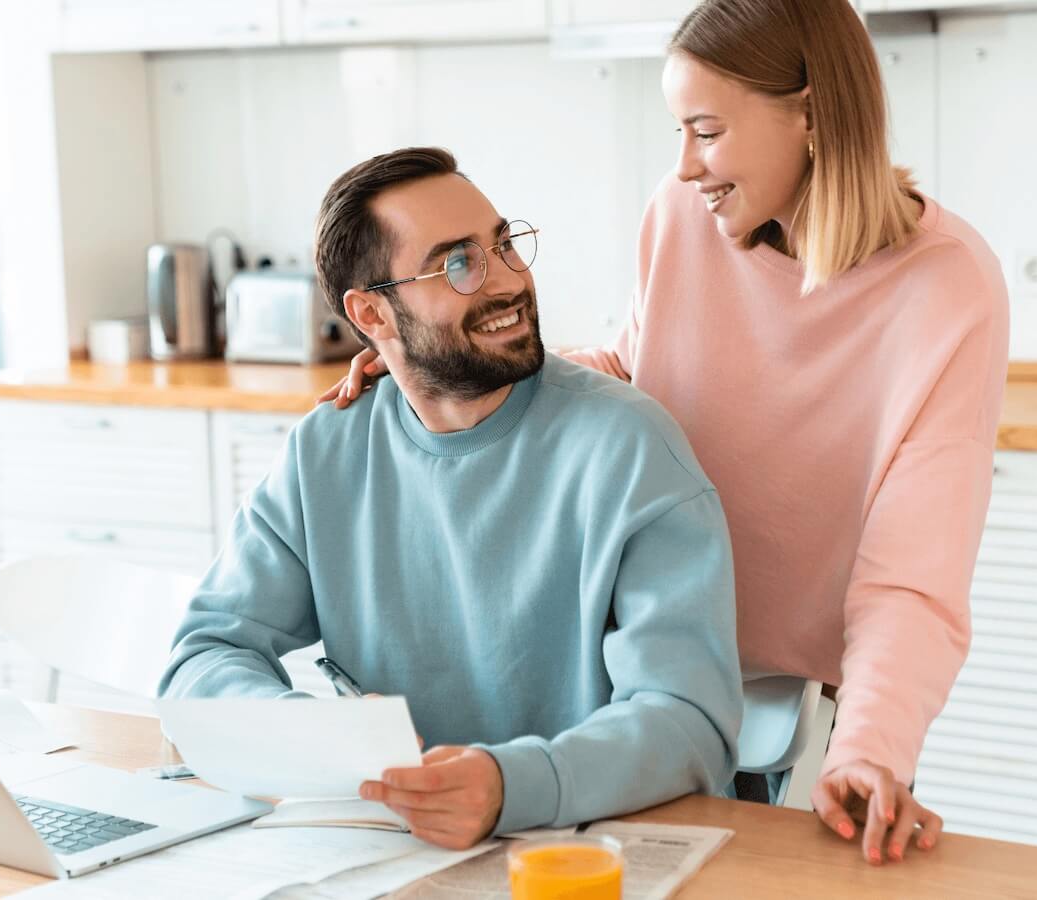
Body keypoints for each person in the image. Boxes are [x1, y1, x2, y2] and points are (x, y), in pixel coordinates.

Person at [321, 0, 1009, 866]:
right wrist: (436, 363)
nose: (684, 166)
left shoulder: (947, 290)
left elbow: (913, 578)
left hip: (774, 696)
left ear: (809, 111)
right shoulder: (684, 216)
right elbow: (634, 369)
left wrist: (868, 752)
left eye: (707, 131)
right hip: (626, 665)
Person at [160, 147, 742, 850]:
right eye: (458, 264)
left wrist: (510, 785)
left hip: (590, 853)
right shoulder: (328, 450)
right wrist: (316, 737)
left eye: (503, 245)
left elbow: (689, 723)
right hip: (397, 850)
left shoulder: (629, 447)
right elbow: (204, 653)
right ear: (372, 314)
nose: (506, 281)